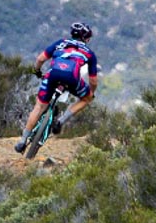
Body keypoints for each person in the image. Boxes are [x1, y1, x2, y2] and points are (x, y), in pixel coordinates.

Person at [15, 21, 100, 153]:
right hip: (72, 78)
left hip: (53, 75)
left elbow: (40, 59)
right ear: (85, 38)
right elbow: (93, 81)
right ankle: (60, 121)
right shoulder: (89, 53)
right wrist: (91, 93)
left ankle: (22, 141)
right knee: (86, 98)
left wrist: (36, 72)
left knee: (39, 107)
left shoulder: (61, 42)